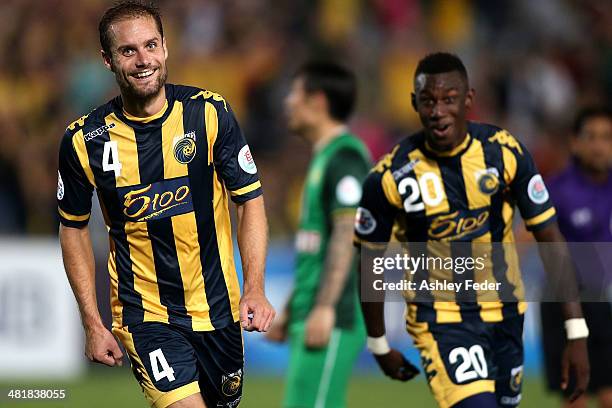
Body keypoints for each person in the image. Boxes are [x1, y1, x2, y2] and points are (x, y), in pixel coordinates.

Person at [57, 2, 275, 407]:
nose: (143, 60)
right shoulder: (84, 141)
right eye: (128, 51)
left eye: (151, 45)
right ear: (107, 60)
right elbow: (72, 228)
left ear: (166, 48)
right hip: (146, 316)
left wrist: (256, 288)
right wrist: (92, 321)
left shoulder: (209, 115)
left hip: (219, 311)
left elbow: (249, 201)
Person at [354, 52, 589, 408]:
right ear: (414, 103)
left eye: (449, 100)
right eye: (428, 101)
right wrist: (378, 342)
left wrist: (576, 332)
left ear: (468, 100)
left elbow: (550, 238)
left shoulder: (504, 153)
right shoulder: (389, 177)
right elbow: (369, 263)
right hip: (442, 320)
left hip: (506, 315)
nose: (437, 111)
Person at [265, 61, 370, 407]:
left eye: (295, 93)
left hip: (333, 314)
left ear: (318, 101)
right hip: (311, 311)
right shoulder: (324, 158)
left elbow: (347, 233)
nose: (287, 102)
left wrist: (324, 307)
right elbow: (318, 250)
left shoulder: (346, 158)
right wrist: (295, 308)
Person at [541, 107, 612, 408]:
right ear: (575, 142)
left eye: (607, 137)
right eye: (591, 137)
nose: (598, 145)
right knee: (576, 399)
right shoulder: (556, 190)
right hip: (565, 305)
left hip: (606, 304)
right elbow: (523, 239)